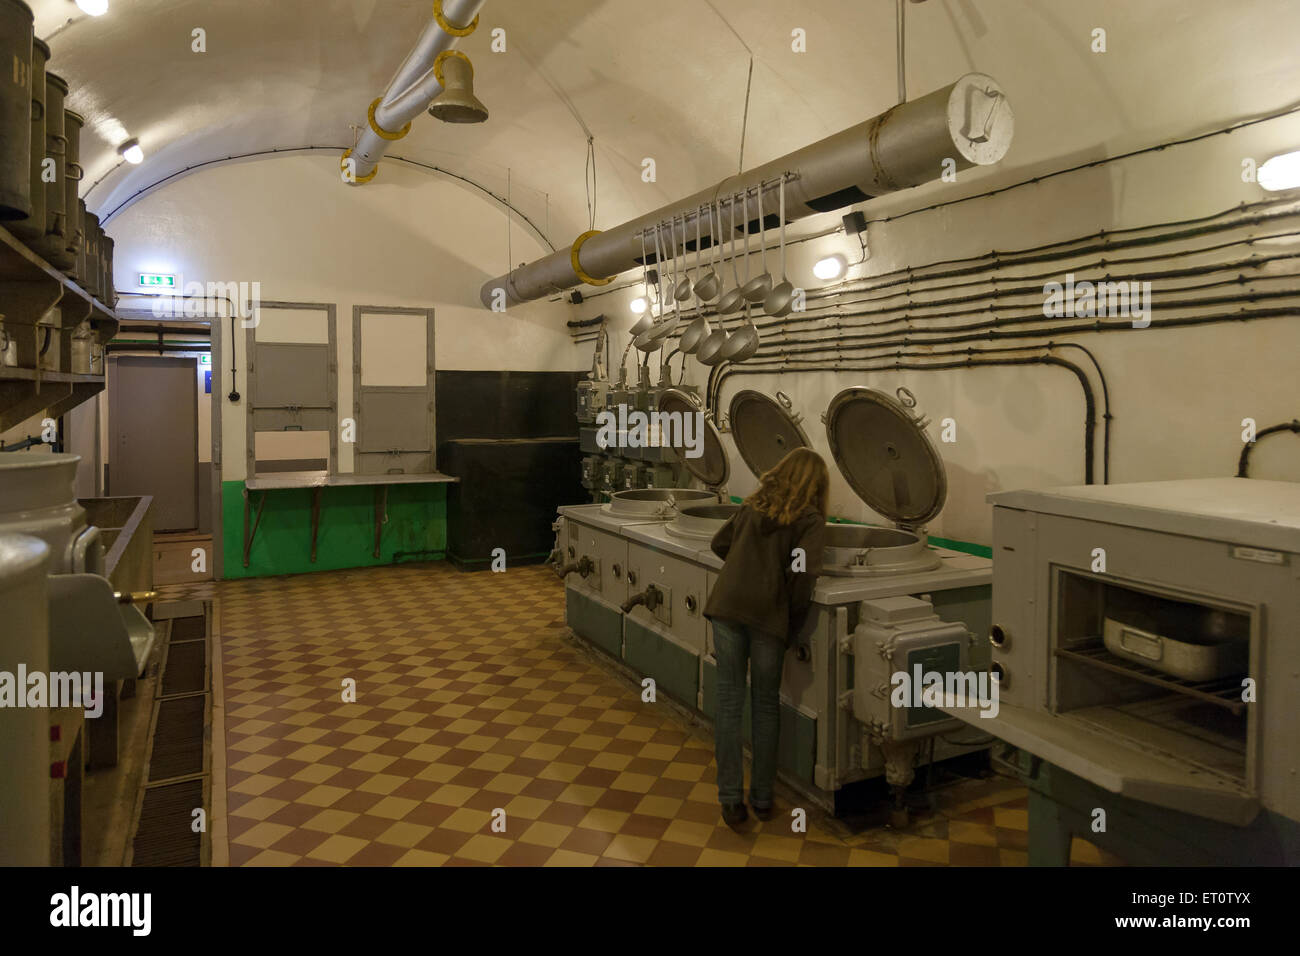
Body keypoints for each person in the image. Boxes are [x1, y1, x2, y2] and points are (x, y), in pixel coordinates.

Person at [703, 447, 828, 828]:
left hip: (727, 607)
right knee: (765, 706)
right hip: (767, 617)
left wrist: (746, 567)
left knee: (728, 704)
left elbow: (719, 544)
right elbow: (803, 576)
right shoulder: (809, 519)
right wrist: (790, 624)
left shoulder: (752, 505)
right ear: (816, 483)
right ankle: (761, 798)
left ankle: (729, 800)